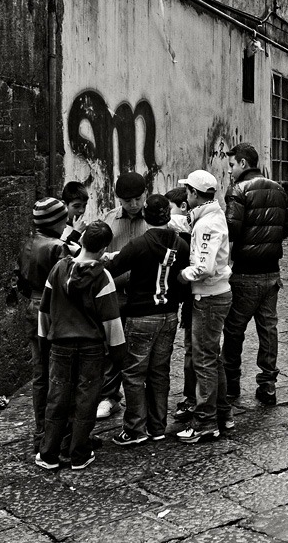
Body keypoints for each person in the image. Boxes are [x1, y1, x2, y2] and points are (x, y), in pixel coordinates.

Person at [34, 221, 125, 471]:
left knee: (58, 397)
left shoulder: (59, 269)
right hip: (91, 349)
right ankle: (79, 453)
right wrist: (119, 356)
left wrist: (44, 343)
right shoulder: (103, 278)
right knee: (87, 400)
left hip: (60, 346)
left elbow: (45, 310)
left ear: (82, 240)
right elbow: (112, 323)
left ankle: (49, 453)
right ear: (104, 248)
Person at [107, 194, 190, 445]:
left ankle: (135, 429)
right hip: (169, 315)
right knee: (159, 372)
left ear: (145, 216)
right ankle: (157, 426)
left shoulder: (138, 244)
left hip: (141, 315)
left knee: (133, 373)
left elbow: (113, 269)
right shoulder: (182, 245)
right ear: (169, 216)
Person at [223, 143, 288, 406]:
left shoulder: (238, 190)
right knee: (268, 329)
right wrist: (270, 241)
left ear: (243, 163)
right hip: (271, 271)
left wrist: (245, 245)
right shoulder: (277, 188)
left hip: (245, 272)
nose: (230, 171)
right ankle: (267, 385)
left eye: (231, 165)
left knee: (234, 329)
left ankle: (231, 384)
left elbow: (231, 229)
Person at [176, 169, 233, 442]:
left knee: (203, 361)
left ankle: (205, 423)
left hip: (208, 297)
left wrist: (185, 275)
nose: (185, 196)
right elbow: (186, 223)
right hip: (215, 295)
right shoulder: (210, 215)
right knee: (213, 358)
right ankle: (223, 414)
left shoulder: (207, 224)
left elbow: (205, 267)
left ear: (195, 194)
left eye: (187, 191)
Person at [16, 197, 72, 453]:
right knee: (59, 374)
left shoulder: (28, 244)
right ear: (56, 222)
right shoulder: (57, 247)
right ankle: (58, 434)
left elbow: (22, 284)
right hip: (53, 311)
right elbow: (65, 285)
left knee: (40, 374)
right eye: (63, 219)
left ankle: (41, 431)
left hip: (32, 309)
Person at [96, 171, 149, 419]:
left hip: (143, 294)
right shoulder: (109, 221)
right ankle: (110, 397)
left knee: (142, 347)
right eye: (128, 201)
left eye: (138, 198)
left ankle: (143, 396)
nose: (134, 204)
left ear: (145, 194)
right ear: (119, 199)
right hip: (115, 294)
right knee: (112, 348)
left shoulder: (155, 221)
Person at [165, 185, 197, 423]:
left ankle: (192, 399)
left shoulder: (188, 226)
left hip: (193, 296)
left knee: (193, 350)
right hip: (194, 296)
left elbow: (178, 223)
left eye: (171, 208)